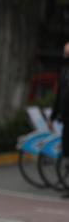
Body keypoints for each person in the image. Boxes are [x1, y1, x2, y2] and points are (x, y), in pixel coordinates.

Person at [50, 42, 69, 198]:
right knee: (66, 151)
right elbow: (59, 96)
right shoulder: (63, 72)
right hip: (66, 119)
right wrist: (53, 115)